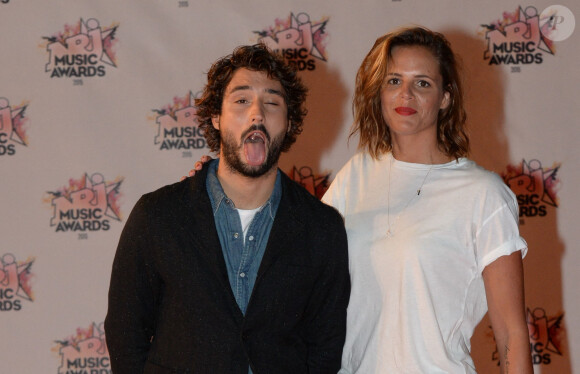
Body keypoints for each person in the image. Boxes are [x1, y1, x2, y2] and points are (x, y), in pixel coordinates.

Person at [105, 44, 350, 374]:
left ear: (289, 123)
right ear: (216, 117)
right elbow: (125, 333)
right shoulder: (158, 216)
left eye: (272, 102)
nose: (257, 113)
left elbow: (325, 348)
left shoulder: (322, 229)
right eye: (242, 100)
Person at [321, 27, 533, 373]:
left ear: (445, 98)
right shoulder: (355, 176)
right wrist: (225, 182)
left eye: (422, 83)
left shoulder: (483, 194)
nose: (405, 94)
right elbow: (296, 251)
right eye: (393, 81)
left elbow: (510, 333)